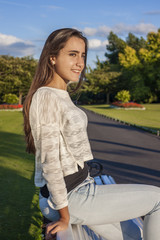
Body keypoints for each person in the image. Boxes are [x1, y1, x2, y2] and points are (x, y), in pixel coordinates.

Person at [23, 28, 160, 240]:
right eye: (72, 54)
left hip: (82, 188)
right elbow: (50, 162)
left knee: (135, 235)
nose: (80, 62)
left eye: (83, 55)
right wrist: (64, 217)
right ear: (52, 57)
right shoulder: (46, 96)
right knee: (157, 200)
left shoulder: (60, 94)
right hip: (72, 198)